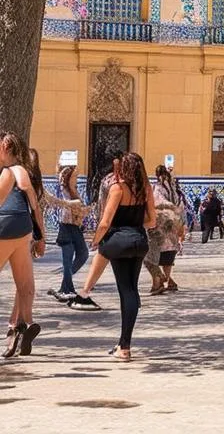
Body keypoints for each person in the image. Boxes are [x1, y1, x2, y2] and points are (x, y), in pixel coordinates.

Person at [91, 150, 155, 361]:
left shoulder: (117, 188)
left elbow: (105, 222)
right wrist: (134, 225)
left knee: (125, 291)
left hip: (120, 241)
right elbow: (151, 221)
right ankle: (122, 342)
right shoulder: (146, 189)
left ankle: (125, 347)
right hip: (139, 241)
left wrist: (97, 240)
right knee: (132, 290)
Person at [0, 131, 46, 358]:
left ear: (6, 147)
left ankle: (14, 330)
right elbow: (36, 207)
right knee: (25, 283)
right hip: (24, 230)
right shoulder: (24, 173)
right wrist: (41, 237)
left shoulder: (8, 172)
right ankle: (25, 323)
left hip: (3, 228)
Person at [69, 155, 121, 311]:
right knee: (105, 259)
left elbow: (102, 206)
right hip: (116, 226)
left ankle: (84, 292)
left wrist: (99, 231)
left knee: (102, 259)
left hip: (111, 227)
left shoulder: (111, 181)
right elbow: (103, 204)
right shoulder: (118, 181)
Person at [50, 164, 89, 304]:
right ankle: (67, 288)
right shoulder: (63, 190)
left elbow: (79, 208)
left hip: (75, 227)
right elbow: (67, 206)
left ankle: (64, 285)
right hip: (66, 226)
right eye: (75, 176)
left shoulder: (75, 190)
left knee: (83, 254)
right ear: (68, 178)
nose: (77, 178)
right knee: (67, 259)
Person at [144, 165, 184, 294]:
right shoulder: (174, 190)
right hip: (172, 226)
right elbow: (180, 207)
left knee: (151, 255)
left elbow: (155, 203)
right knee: (168, 254)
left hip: (159, 227)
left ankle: (160, 280)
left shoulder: (157, 188)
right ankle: (168, 280)